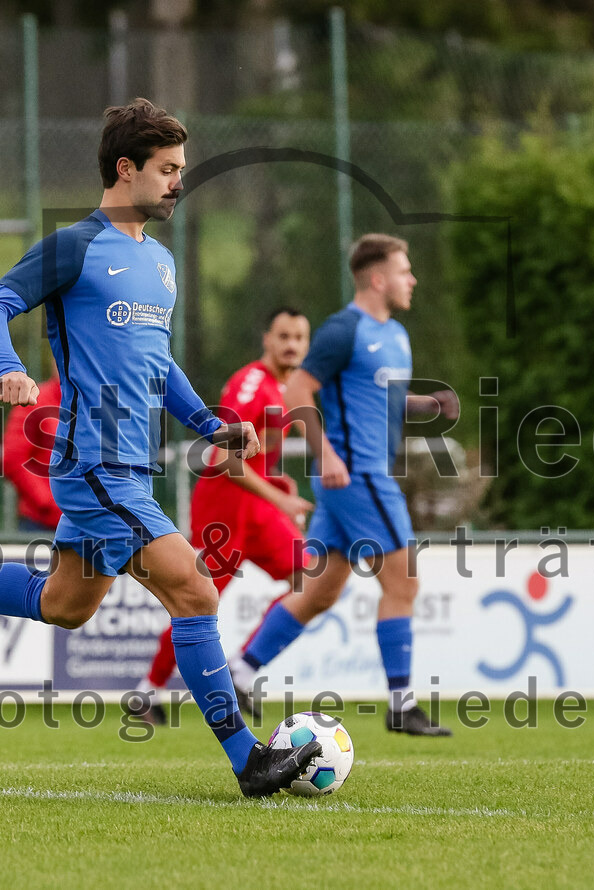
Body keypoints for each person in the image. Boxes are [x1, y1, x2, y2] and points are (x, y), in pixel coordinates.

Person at [0, 98, 320, 797]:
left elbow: (157, 362)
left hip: (132, 467)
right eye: (168, 170)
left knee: (65, 604)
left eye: (182, 169)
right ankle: (248, 760)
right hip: (95, 464)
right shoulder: (74, 246)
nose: (179, 182)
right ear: (125, 168)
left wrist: (208, 424)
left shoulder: (163, 265)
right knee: (195, 590)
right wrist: (8, 369)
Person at [227, 233, 459, 737]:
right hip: (358, 474)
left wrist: (426, 406)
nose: (411, 279)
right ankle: (402, 704)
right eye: (404, 270)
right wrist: (325, 451)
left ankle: (239, 673)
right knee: (403, 583)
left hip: (353, 478)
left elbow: (383, 398)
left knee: (319, 593)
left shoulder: (395, 334)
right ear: (377, 278)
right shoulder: (343, 329)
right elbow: (295, 389)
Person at [127, 308, 313, 724]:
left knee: (311, 577)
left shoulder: (286, 388)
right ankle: (147, 692)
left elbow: (257, 458)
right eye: (283, 335)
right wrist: (279, 499)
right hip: (225, 510)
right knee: (194, 600)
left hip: (257, 510)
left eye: (299, 338)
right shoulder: (252, 385)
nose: (291, 345)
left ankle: (244, 668)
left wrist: (280, 487)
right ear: (267, 339)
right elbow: (226, 458)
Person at [2, 363, 63, 534]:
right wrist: (48, 502)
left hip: (90, 523)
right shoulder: (36, 400)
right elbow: (13, 459)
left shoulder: (100, 403)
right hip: (41, 524)